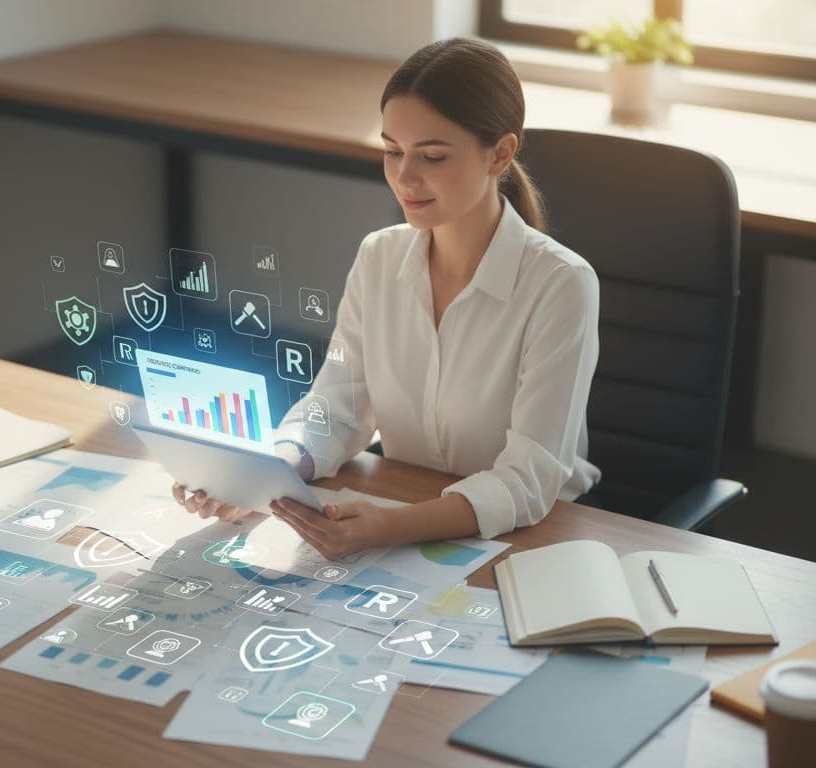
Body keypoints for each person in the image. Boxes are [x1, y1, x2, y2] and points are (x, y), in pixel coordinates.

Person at [173, 37, 600, 559]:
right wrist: (272, 469)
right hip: (405, 513)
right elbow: (337, 407)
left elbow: (529, 482)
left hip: (533, 542)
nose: (404, 177)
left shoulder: (560, 284)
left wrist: (392, 526)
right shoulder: (379, 256)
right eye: (393, 151)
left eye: (432, 156)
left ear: (501, 154)